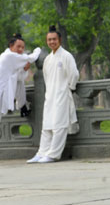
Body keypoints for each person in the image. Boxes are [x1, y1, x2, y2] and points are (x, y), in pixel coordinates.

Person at [27, 26, 79, 164]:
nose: (52, 42)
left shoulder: (66, 56)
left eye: (54, 39)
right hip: (50, 96)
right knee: (47, 125)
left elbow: (74, 74)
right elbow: (46, 78)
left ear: (59, 40)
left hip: (62, 95)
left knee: (59, 125)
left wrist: (70, 88)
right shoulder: (48, 60)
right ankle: (42, 152)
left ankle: (54, 154)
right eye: (49, 40)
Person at [0, 34, 41, 121]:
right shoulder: (9, 56)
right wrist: (38, 50)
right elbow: (31, 58)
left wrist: (24, 69)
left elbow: (19, 79)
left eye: (23, 47)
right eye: (18, 46)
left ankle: (22, 106)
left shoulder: (9, 58)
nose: (21, 50)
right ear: (11, 46)